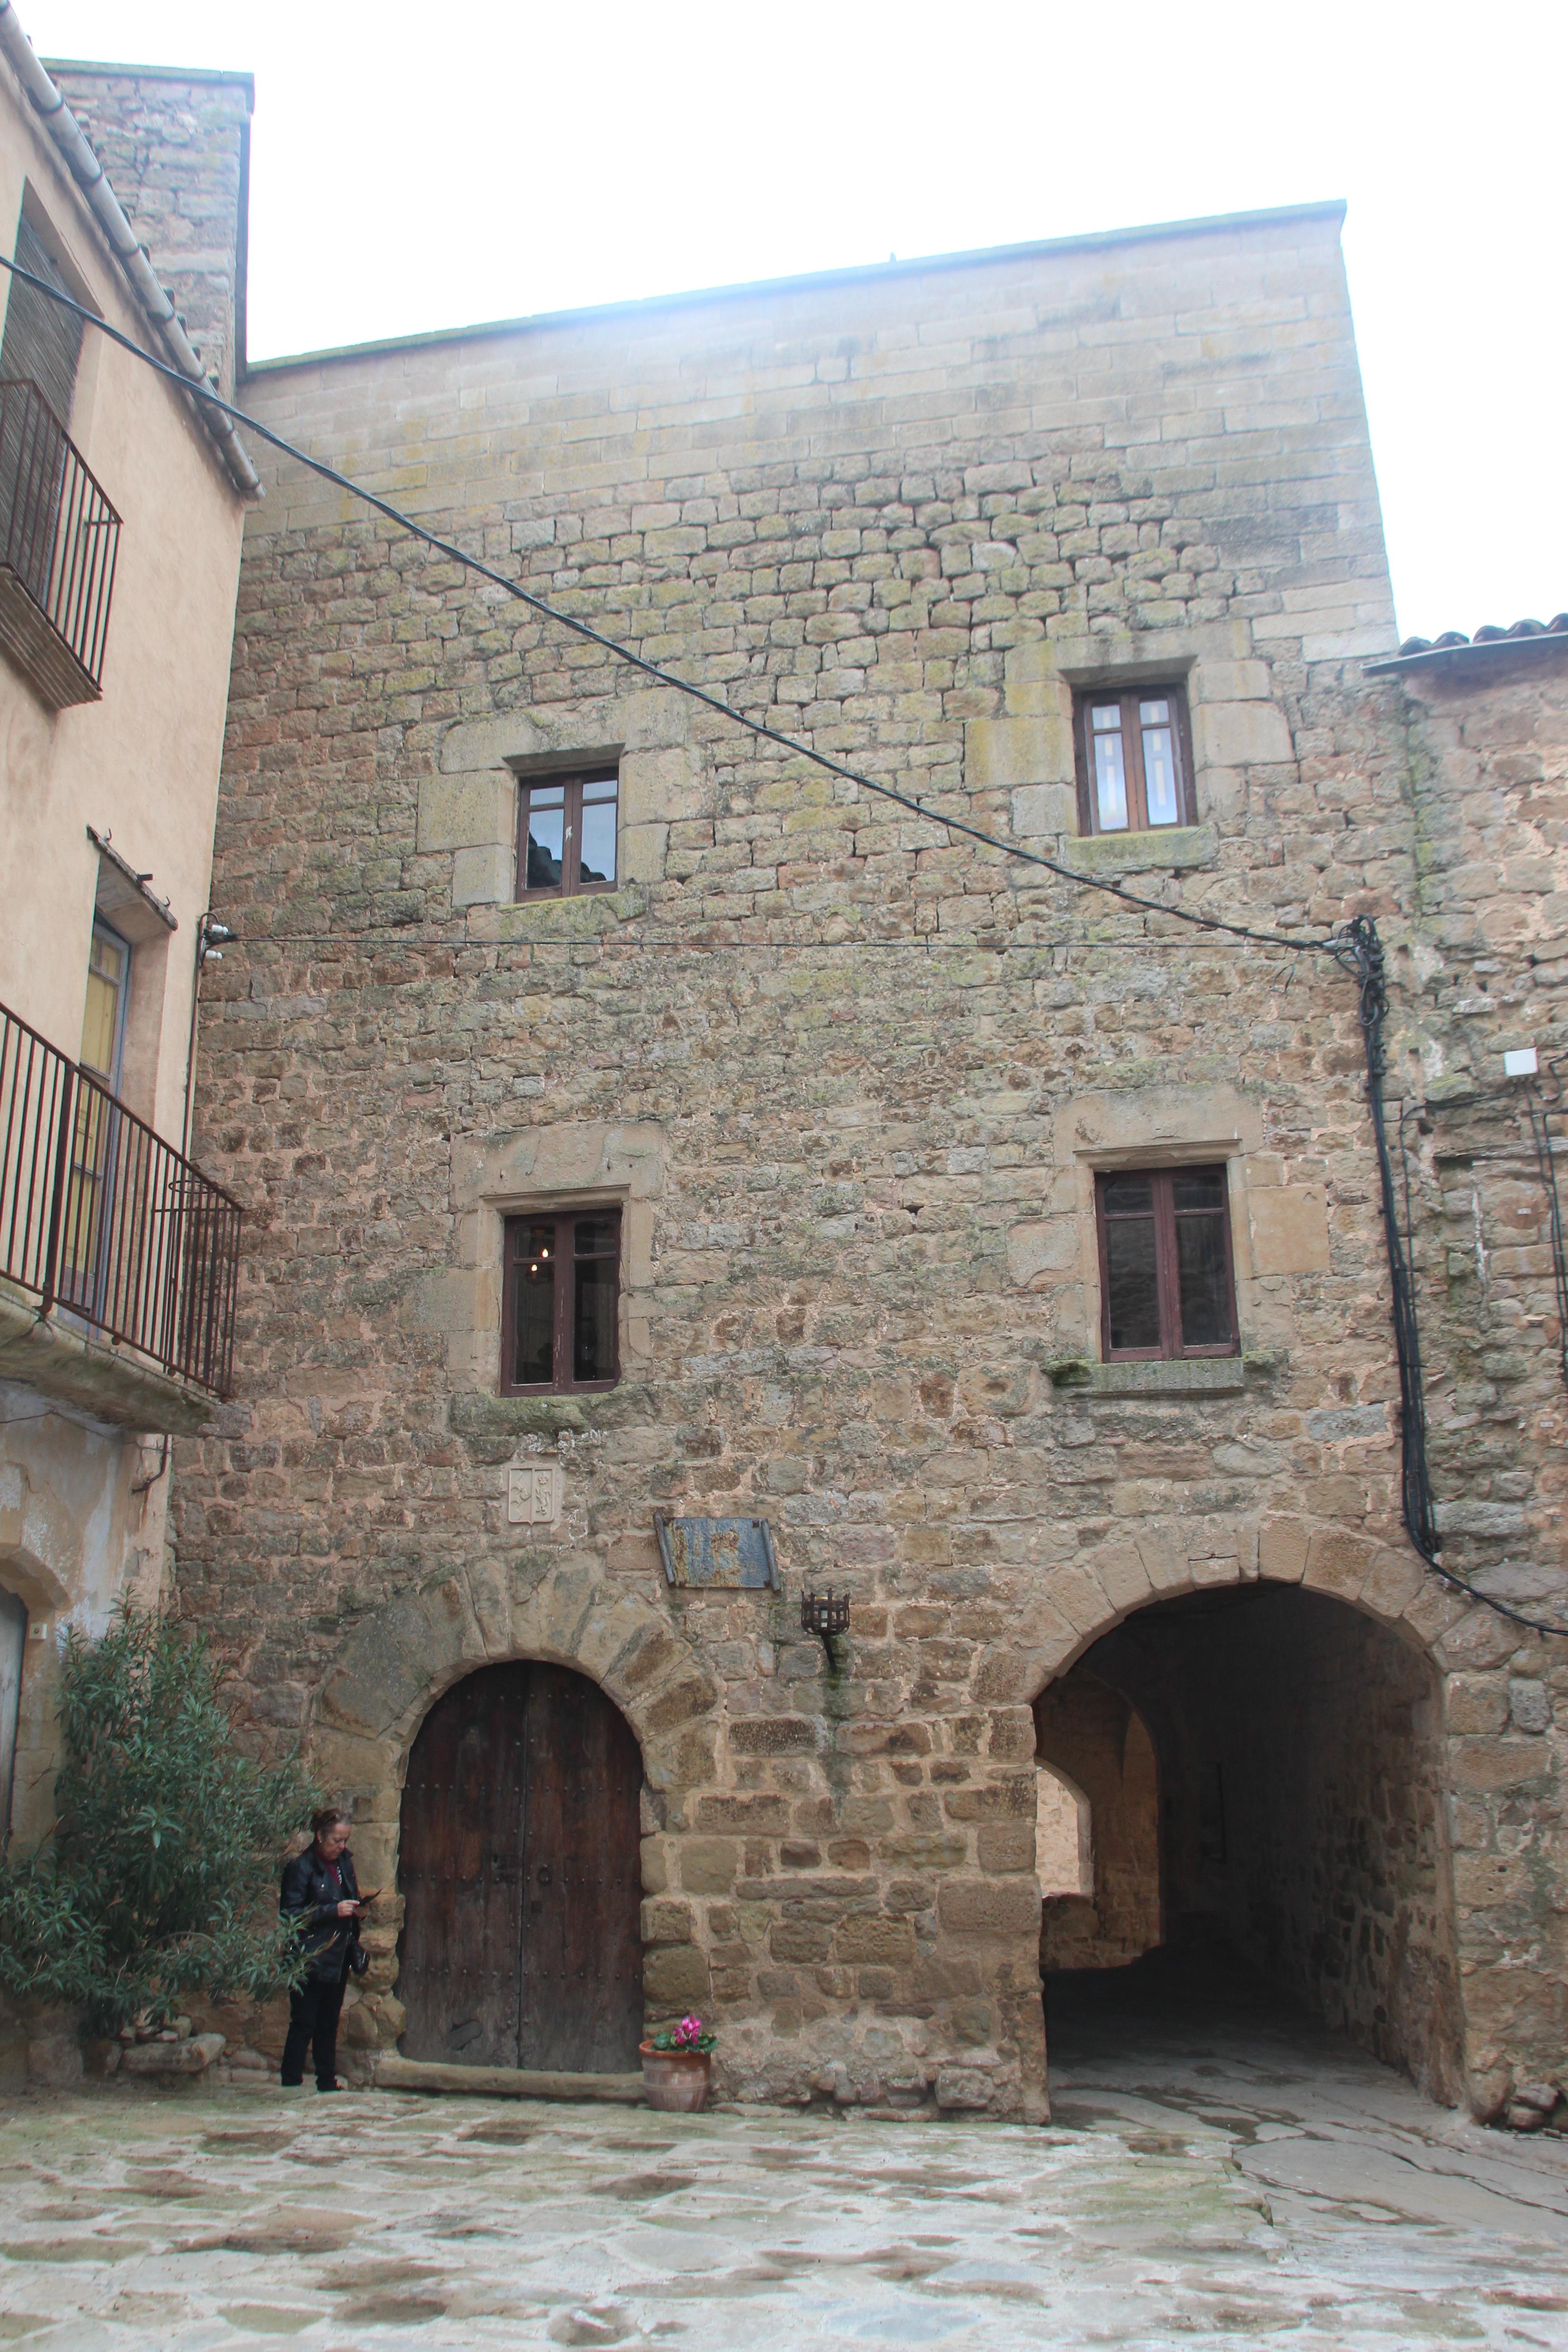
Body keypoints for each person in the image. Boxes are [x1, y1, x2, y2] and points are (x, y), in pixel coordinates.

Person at [279, 1806, 364, 2091]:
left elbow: (349, 1896)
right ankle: (291, 2081)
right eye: (336, 1841)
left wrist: (357, 1910)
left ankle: (326, 2081)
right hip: (309, 1955)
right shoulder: (301, 1868)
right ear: (319, 1836)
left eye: (345, 1841)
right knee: (304, 2021)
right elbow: (290, 1915)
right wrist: (332, 1911)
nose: (341, 1847)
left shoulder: (344, 1864)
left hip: (337, 1954)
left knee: (330, 2020)